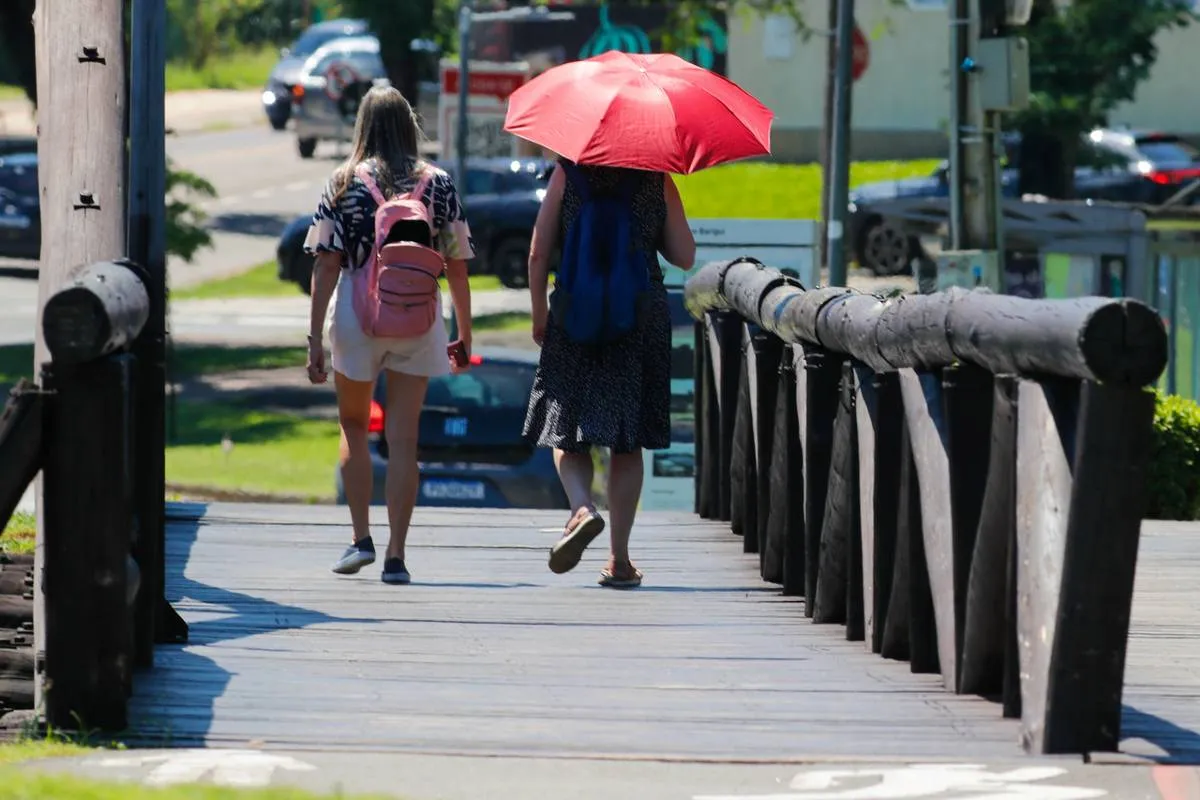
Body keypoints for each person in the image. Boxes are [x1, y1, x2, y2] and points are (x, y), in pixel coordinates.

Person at [303, 85, 475, 585]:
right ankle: (397, 556)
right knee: (405, 439)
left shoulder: (340, 183)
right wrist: (464, 333)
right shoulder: (438, 184)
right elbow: (459, 266)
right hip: (419, 316)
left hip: (359, 314)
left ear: (363, 126)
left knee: (354, 428)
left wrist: (315, 338)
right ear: (408, 126)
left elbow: (326, 266)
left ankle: (361, 540)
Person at [522, 159, 696, 588]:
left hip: (575, 311)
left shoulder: (566, 174)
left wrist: (539, 313)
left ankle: (581, 507)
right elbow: (686, 255)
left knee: (565, 427)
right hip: (637, 317)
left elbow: (537, 251)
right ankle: (619, 559)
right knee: (627, 439)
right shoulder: (656, 179)